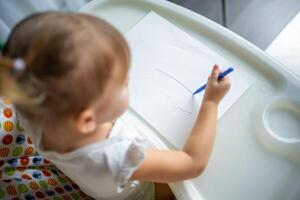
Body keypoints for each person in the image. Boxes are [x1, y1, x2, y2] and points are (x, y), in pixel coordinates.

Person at [0, 12, 230, 199]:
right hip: (142, 193)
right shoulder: (115, 157)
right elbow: (193, 164)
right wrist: (210, 103)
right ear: (87, 120)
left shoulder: (30, 107)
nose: (130, 79)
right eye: (123, 84)